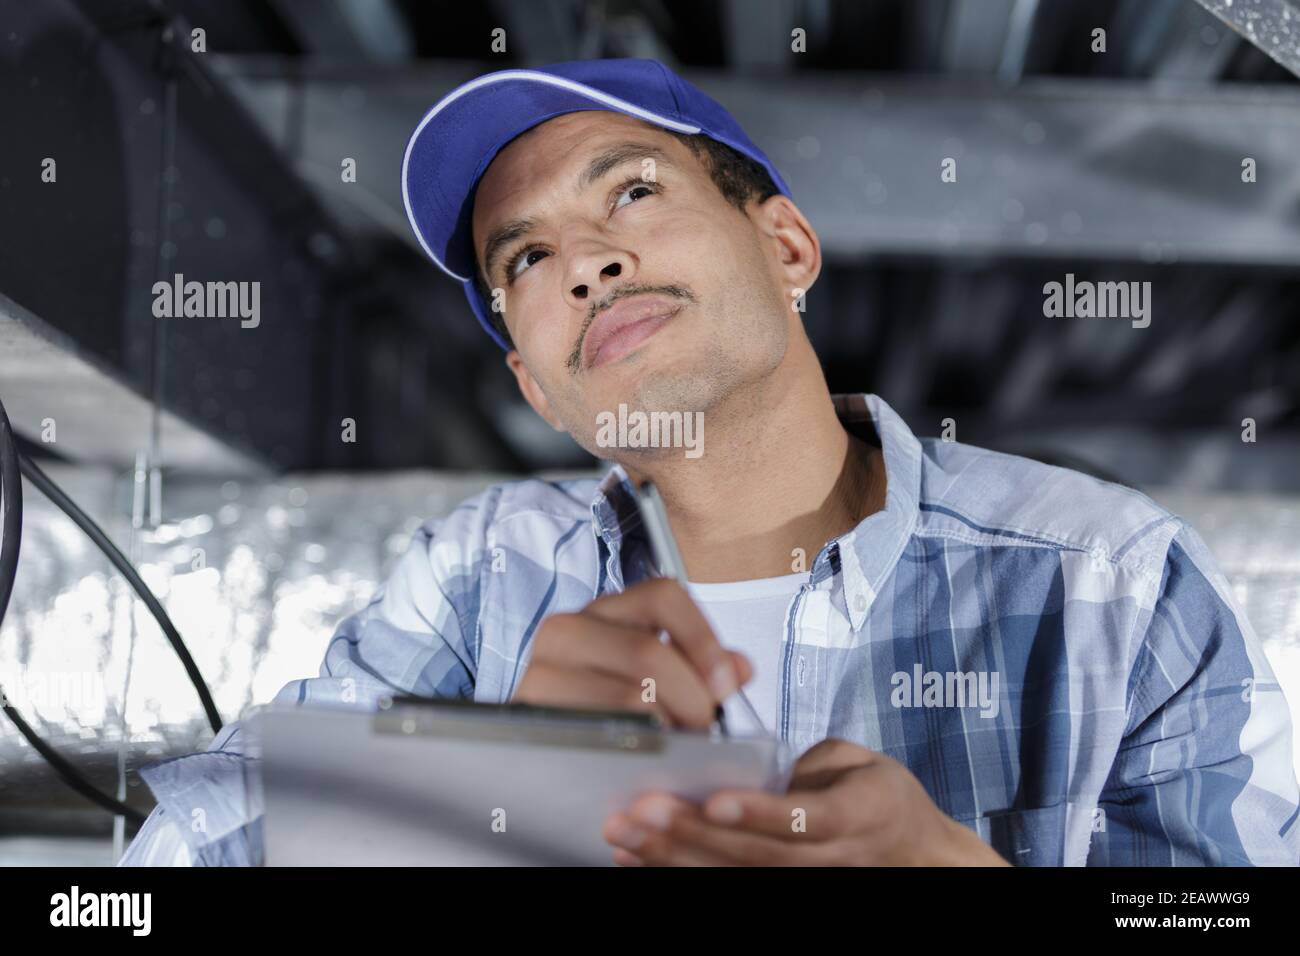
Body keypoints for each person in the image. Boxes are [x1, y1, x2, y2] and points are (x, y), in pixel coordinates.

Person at [121, 58, 1299, 867]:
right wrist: (487, 792)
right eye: (524, 260)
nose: (581, 262)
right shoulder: (479, 575)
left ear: (785, 244)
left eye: (633, 189)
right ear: (539, 385)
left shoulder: (1108, 577)